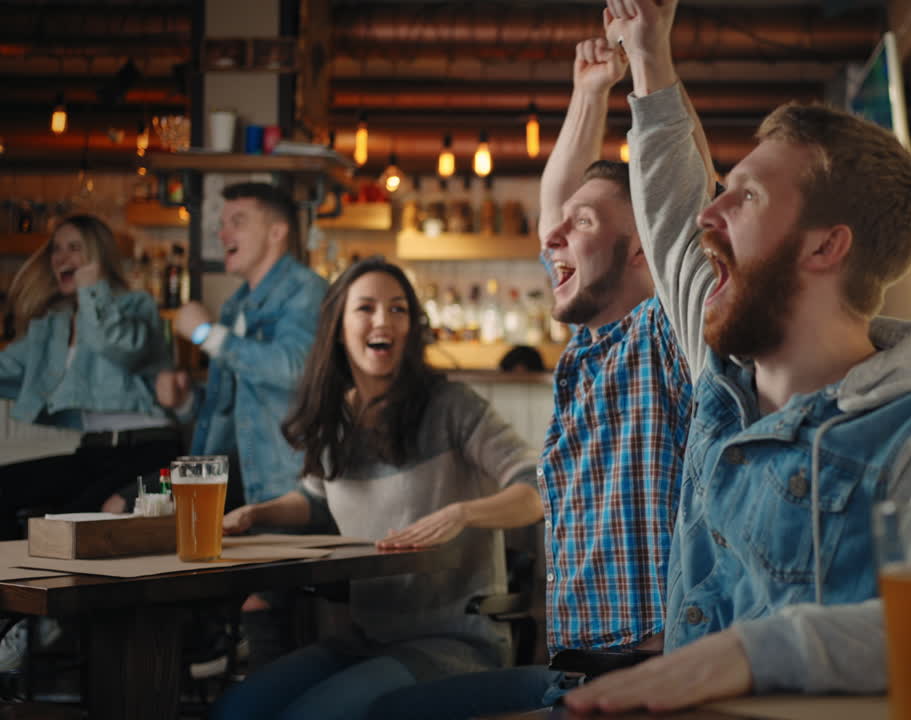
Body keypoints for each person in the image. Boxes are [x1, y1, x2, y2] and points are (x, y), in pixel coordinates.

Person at [564, 1, 911, 713]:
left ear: (826, 246)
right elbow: (674, 207)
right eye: (723, 190)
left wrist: (752, 652)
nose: (712, 211)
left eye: (747, 196)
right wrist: (648, 54)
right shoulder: (724, 375)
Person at [366, 31, 696, 720]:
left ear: (644, 251)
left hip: (647, 683)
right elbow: (553, 207)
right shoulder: (590, 344)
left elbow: (678, 205)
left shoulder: (665, 335)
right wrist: (588, 90)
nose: (551, 237)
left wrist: (648, 57)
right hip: (571, 676)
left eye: (582, 223)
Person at [209, 257, 542, 720]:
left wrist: (463, 513)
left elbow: (539, 487)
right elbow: (315, 499)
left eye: (398, 308)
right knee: (235, 710)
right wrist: (256, 514)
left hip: (457, 639)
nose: (383, 319)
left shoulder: (452, 407)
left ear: (412, 327)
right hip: (368, 637)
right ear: (339, 328)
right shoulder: (336, 416)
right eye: (366, 308)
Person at [106, 181, 327, 510]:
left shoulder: (306, 290)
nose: (222, 235)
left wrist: (207, 335)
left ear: (276, 232)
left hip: (280, 483)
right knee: (121, 504)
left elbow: (297, 370)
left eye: (237, 222)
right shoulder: (237, 305)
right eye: (222, 225)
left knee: (123, 507)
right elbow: (229, 407)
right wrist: (185, 400)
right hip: (223, 470)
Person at [0, 214, 178, 539]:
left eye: (74, 248)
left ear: (98, 256)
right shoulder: (54, 323)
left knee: (67, 531)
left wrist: (92, 291)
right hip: (93, 450)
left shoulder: (136, 304)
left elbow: (118, 347)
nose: (61, 257)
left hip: (147, 448)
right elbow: (5, 369)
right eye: (56, 249)